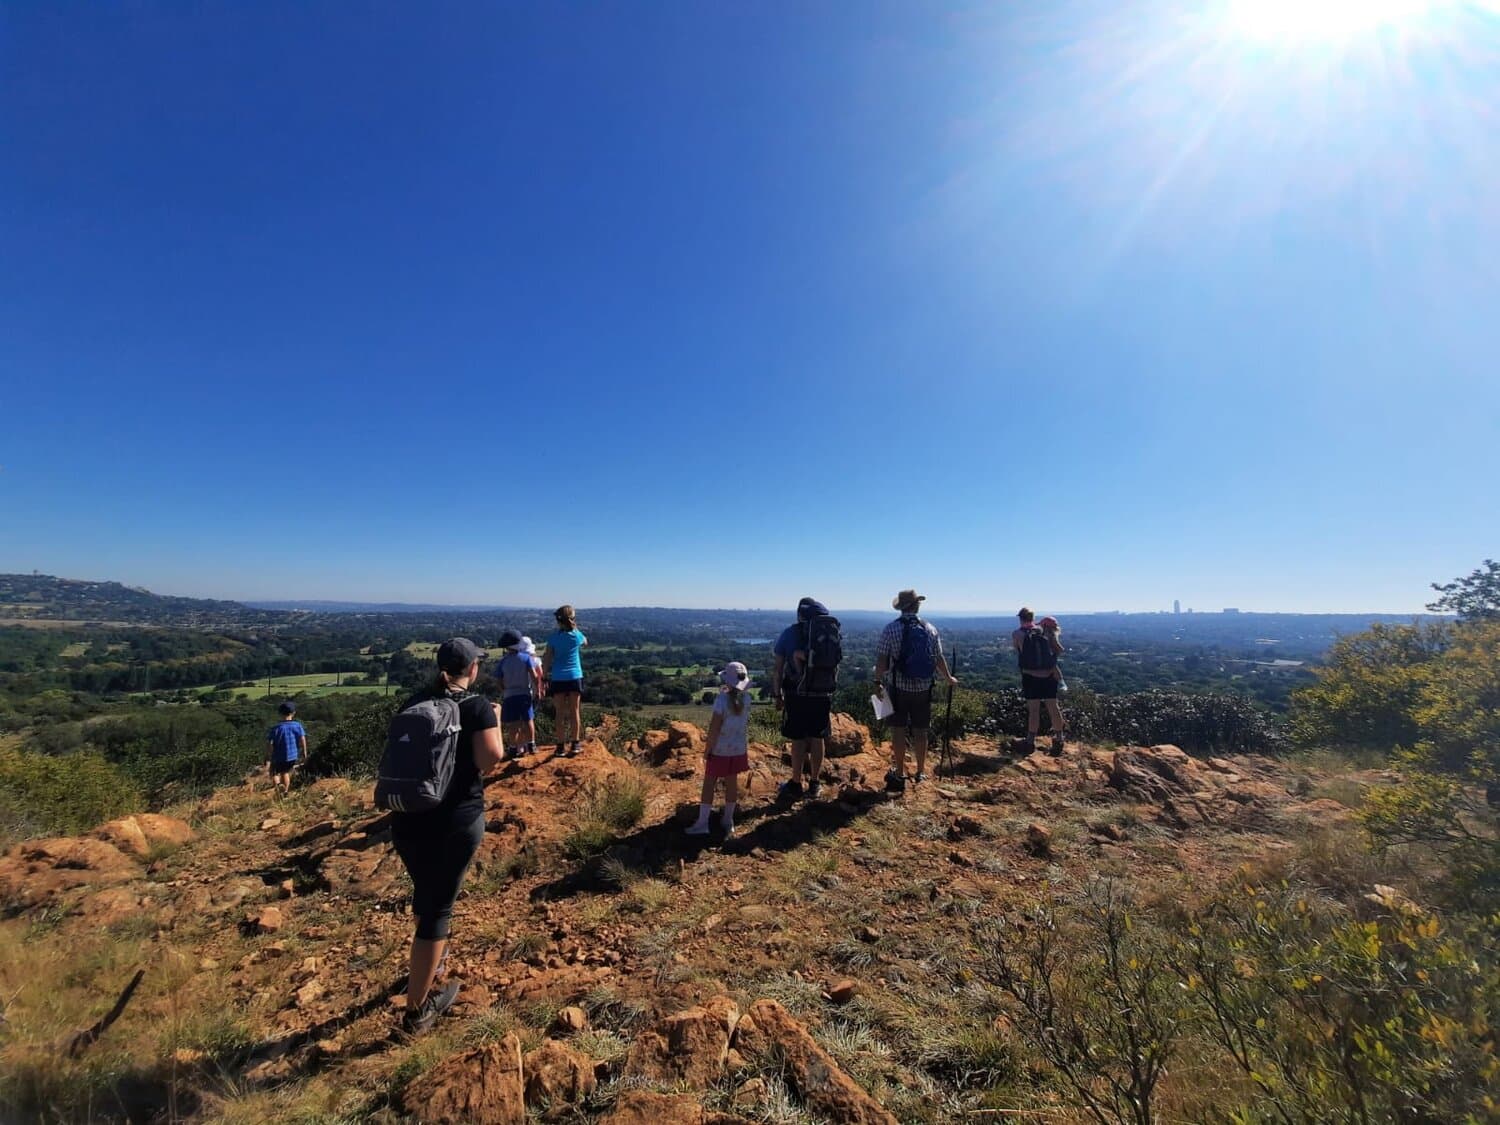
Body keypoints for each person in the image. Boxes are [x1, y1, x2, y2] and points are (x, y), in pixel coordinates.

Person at [389, 638, 505, 1033]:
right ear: (472, 669)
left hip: (407, 818)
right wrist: (496, 720)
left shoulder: (413, 703)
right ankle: (416, 1013)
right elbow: (490, 759)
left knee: (426, 893)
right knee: (439, 910)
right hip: (455, 819)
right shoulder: (476, 707)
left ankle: (428, 963)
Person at [875, 590, 957, 792]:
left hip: (897, 687)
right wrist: (948, 678)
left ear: (901, 607)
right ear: (917, 606)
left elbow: (882, 663)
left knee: (898, 730)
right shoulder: (929, 628)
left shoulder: (890, 629)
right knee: (921, 731)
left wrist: (877, 682)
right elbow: (938, 658)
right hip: (924, 687)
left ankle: (900, 772)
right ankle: (921, 771)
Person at [771, 597, 831, 801]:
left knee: (797, 738)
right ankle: (815, 783)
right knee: (817, 737)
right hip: (822, 693)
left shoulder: (789, 633)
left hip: (796, 693)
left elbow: (778, 668)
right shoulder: (828, 633)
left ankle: (796, 782)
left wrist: (777, 694)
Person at [686, 662, 754, 838]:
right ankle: (728, 820)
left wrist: (708, 749)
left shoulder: (721, 700)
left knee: (709, 784)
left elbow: (714, 728)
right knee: (731, 783)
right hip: (738, 749)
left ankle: (702, 823)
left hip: (720, 750)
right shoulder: (747, 699)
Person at [1012, 608, 1066, 753]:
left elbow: (1018, 651)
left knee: (1034, 710)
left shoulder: (1017, 634)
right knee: (1053, 707)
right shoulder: (1045, 632)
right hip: (1049, 676)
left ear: (1020, 618)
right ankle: (1059, 739)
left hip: (1030, 676)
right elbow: (1057, 651)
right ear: (1033, 617)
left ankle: (1030, 741)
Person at [542, 605, 588, 757]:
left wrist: (544, 676)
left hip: (558, 677)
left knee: (559, 712)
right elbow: (585, 642)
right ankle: (575, 744)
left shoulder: (553, 638)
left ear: (558, 620)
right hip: (575, 676)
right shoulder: (577, 636)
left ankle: (560, 746)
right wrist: (576, 629)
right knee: (575, 711)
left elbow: (547, 658)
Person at [494, 630, 543, 758]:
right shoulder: (526, 658)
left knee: (513, 724)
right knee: (528, 720)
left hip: (509, 695)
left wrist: (504, 690)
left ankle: (513, 748)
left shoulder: (503, 662)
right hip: (525, 694)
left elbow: (498, 681)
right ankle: (531, 745)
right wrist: (537, 689)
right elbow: (534, 675)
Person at [265, 701, 307, 796]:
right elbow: (302, 739)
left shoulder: (276, 728)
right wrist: (304, 752)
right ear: (294, 713)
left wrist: (268, 756)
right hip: (292, 756)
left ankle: (279, 785)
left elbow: (270, 743)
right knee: (285, 772)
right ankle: (285, 792)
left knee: (274, 773)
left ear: (280, 713)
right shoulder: (297, 725)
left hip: (278, 756)